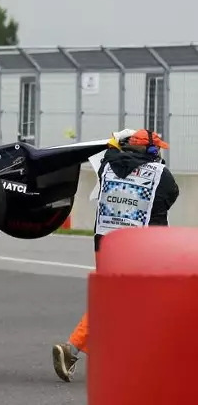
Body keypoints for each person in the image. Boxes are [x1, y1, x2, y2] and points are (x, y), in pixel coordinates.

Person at [52, 128, 179, 383]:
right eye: (158, 148)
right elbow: (170, 196)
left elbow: (111, 149)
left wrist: (117, 142)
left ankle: (121, 359)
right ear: (152, 150)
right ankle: (75, 349)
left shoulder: (107, 165)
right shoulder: (159, 173)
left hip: (105, 243)